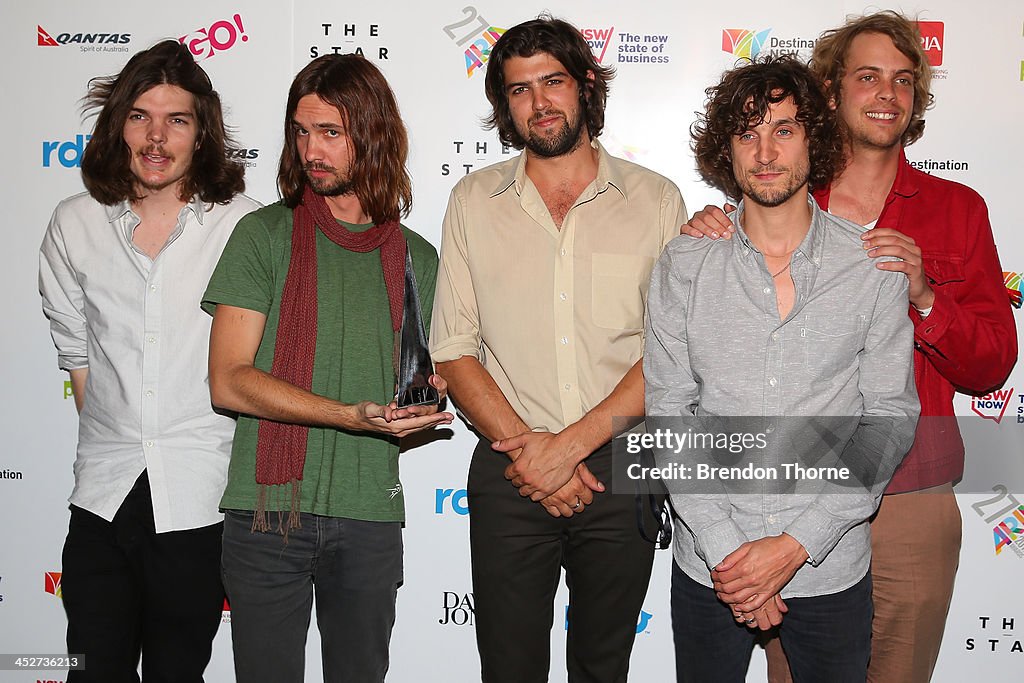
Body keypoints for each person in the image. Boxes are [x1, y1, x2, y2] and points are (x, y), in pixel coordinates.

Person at [683, 12, 1016, 682]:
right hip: (786, 492)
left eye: (902, 80)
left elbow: (992, 365)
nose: (887, 93)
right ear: (830, 92)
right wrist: (707, 234)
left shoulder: (959, 210)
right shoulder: (776, 193)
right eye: (867, 77)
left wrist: (925, 296)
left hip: (909, 497)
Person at [430, 16, 687, 683]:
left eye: (553, 81)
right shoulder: (472, 201)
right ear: (503, 105)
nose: (539, 102)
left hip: (621, 462)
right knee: (508, 669)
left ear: (586, 86)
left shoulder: (657, 200)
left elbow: (668, 352)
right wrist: (534, 452)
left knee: (602, 667)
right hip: (509, 466)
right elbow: (454, 351)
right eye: (519, 90)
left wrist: (566, 448)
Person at [647, 54, 919, 683]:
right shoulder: (685, 265)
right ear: (727, 150)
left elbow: (887, 418)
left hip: (828, 567)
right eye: (748, 133)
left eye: (784, 129)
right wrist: (732, 556)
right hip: (710, 566)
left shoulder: (870, 269)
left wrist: (795, 545)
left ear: (814, 140)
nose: (765, 151)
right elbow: (669, 412)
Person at [202, 53, 451, 683]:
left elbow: (432, 381)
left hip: (369, 515)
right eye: (301, 131)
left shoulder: (418, 258)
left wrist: (424, 402)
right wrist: (350, 416)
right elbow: (228, 380)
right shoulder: (264, 234)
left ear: (371, 135)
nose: (312, 150)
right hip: (266, 516)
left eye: (331, 133)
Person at [38, 40, 257, 682]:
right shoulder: (74, 223)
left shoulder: (242, 226)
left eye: (176, 120)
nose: (156, 137)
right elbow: (76, 356)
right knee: (91, 670)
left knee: (176, 673)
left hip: (199, 498)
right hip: (103, 498)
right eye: (140, 116)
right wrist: (120, 436)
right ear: (118, 127)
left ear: (202, 132)